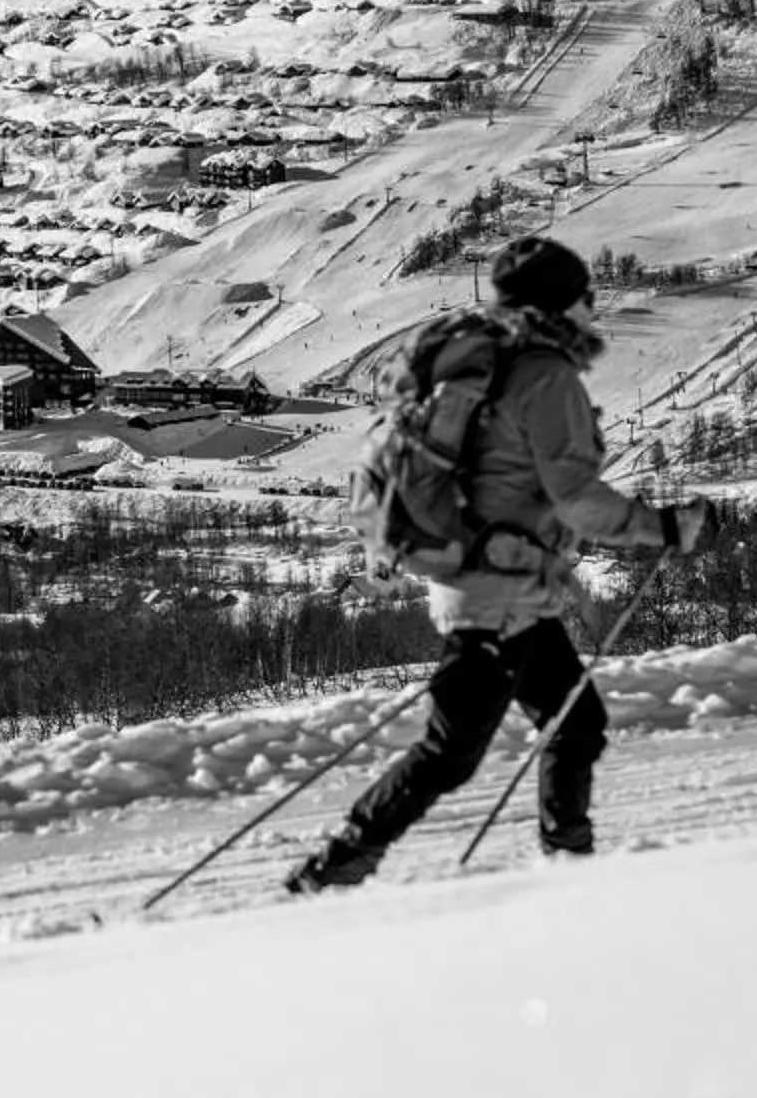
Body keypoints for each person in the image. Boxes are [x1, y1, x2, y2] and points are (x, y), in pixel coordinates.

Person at [289, 236, 711, 894]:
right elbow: (576, 498)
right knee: (451, 751)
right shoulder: (546, 377)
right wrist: (660, 527)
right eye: (584, 294)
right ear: (560, 303)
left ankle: (569, 860)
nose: (592, 305)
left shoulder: (497, 363)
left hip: (503, 584)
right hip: (497, 596)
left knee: (576, 723)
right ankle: (335, 866)